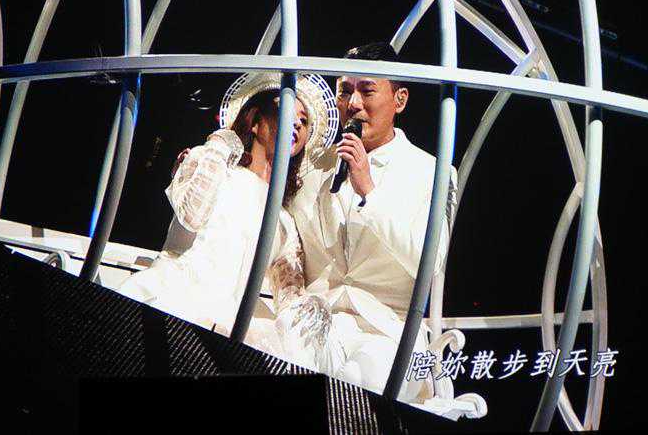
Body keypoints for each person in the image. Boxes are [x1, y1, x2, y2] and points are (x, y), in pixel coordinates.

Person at [268, 41, 459, 402]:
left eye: (367, 91)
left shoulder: (433, 173)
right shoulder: (311, 164)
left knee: (356, 385)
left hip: (388, 332)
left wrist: (369, 190)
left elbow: (429, 263)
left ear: (399, 100)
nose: (353, 103)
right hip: (314, 321)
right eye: (345, 91)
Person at [117, 73, 339, 338]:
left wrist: (310, 309)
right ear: (255, 120)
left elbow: (289, 293)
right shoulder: (212, 163)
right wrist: (219, 145)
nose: (297, 124)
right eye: (288, 111)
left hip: (223, 324)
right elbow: (191, 216)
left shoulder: (284, 221)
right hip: (170, 297)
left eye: (304, 120)